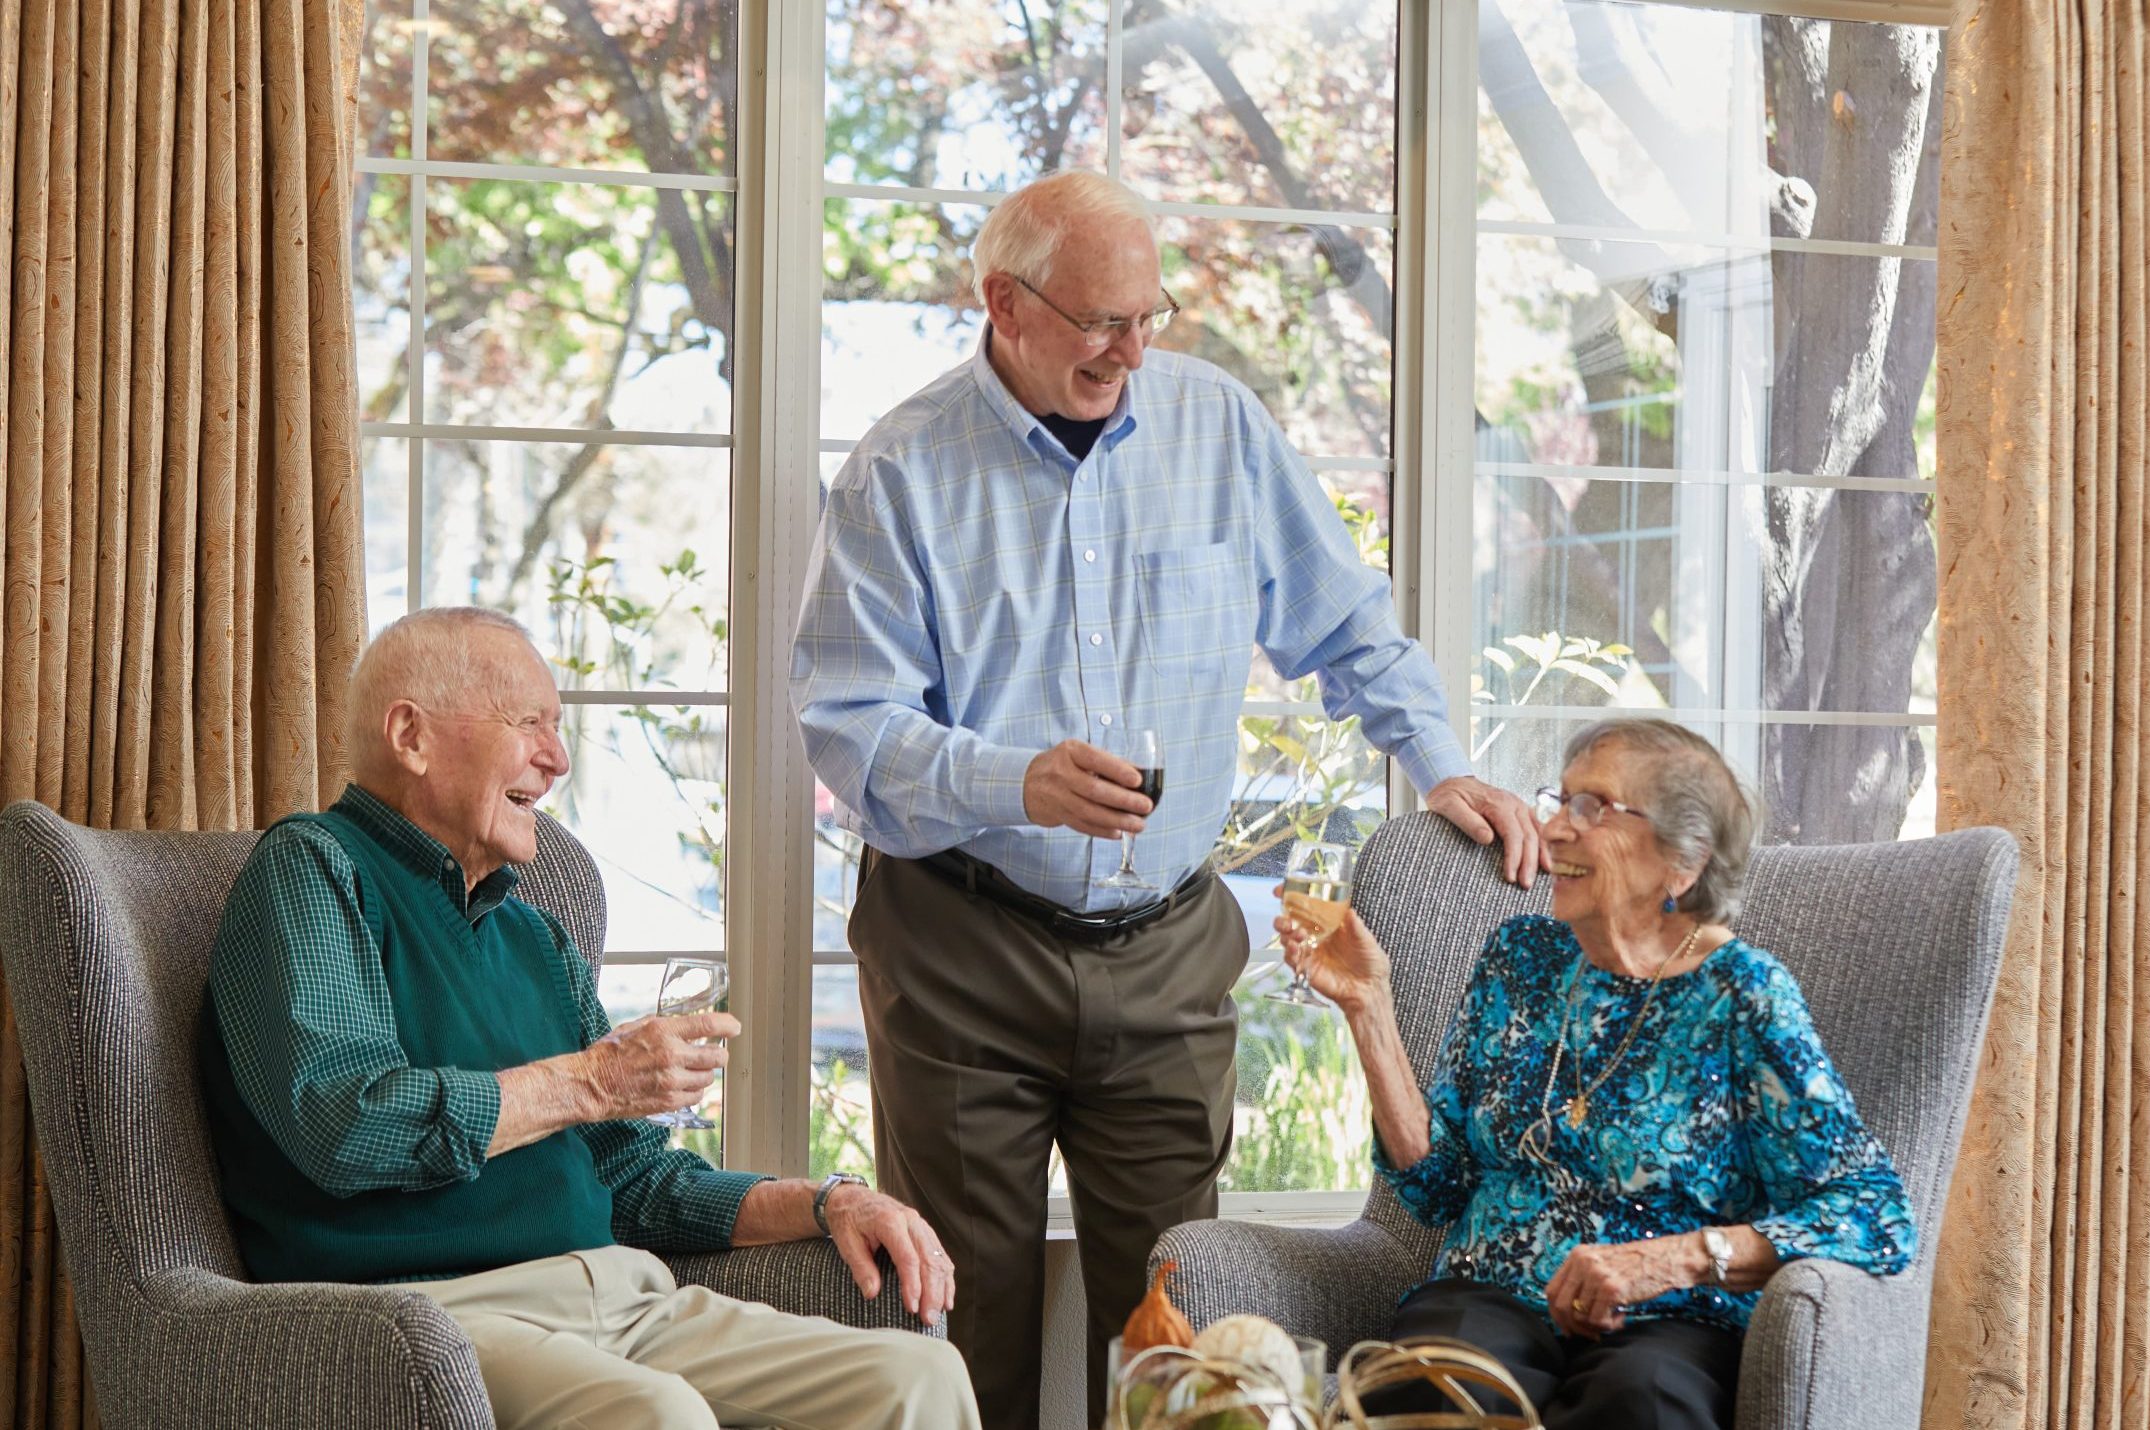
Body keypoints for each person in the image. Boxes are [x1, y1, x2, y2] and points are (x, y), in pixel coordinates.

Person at [791, 168, 1542, 1428]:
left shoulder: (1218, 426)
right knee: (962, 1324)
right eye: (1100, 322)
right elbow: (849, 730)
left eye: (1150, 317)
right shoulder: (901, 470)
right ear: (1004, 305)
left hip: (1165, 949)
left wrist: (1438, 757)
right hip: (960, 941)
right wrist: (1010, 775)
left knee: (1178, 1325)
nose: (1131, 351)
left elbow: (1345, 619)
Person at [200, 607, 979, 1430]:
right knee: (656, 1416)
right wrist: (592, 1080)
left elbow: (638, 1180)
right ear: (411, 736)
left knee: (919, 1376)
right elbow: (347, 1125)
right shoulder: (314, 871)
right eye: (529, 722)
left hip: (629, 1300)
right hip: (430, 1321)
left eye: (560, 729)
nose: (558, 758)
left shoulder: (534, 937)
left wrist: (829, 1202)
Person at [1275, 717, 1913, 1430]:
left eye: (1593, 808)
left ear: (1685, 860)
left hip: (1670, 1319)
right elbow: (1437, 1186)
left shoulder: (1743, 994)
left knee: (1642, 1404)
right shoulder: (1522, 959)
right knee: (1441, 1386)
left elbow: (1874, 1213)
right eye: (1561, 800)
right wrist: (1370, 1010)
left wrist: (1672, 1260)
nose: (1552, 829)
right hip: (1487, 1294)